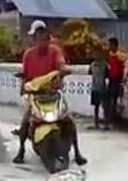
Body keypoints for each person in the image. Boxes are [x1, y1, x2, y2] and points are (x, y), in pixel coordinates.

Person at [13, 23, 87, 165]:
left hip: (53, 93)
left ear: (48, 37)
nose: (41, 40)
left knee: (68, 120)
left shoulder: (55, 51)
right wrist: (23, 84)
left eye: (44, 36)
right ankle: (21, 150)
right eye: (38, 36)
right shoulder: (28, 55)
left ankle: (77, 152)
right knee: (25, 122)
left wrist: (63, 71)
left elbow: (61, 65)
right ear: (34, 38)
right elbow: (25, 73)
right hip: (36, 95)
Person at [106, 37, 125, 126]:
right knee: (110, 99)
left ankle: (114, 118)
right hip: (111, 79)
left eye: (110, 44)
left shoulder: (120, 55)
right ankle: (111, 117)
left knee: (115, 99)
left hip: (118, 79)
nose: (109, 46)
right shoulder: (110, 54)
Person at [88, 48, 109, 129]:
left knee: (104, 106)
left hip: (102, 87)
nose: (97, 56)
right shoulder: (92, 65)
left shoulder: (104, 65)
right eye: (96, 54)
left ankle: (105, 123)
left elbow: (107, 74)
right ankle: (96, 123)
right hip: (95, 88)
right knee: (96, 106)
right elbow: (89, 73)